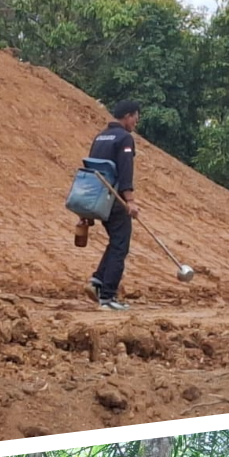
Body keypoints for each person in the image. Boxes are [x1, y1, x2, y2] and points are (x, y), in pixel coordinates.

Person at [87, 100, 141, 312]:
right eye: (136, 117)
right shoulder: (125, 138)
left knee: (115, 241)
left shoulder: (100, 136)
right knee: (121, 246)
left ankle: (97, 281)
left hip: (99, 199)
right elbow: (125, 170)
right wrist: (130, 201)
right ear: (128, 116)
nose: (136, 122)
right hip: (115, 200)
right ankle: (108, 297)